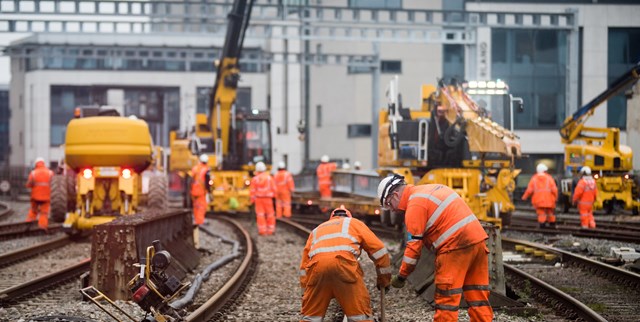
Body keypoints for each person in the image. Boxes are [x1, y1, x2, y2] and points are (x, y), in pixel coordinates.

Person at [378, 174, 493, 322]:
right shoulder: (430, 189)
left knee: (447, 301)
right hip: (478, 243)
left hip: (454, 249)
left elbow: (413, 248)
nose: (392, 210)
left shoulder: (414, 205)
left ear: (395, 194)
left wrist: (402, 276)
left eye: (389, 204)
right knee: (478, 298)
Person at [299, 207, 391, 322]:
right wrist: (384, 280)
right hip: (344, 268)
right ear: (348, 216)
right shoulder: (354, 223)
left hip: (317, 271)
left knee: (311, 317)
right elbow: (380, 251)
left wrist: (305, 293)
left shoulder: (316, 230)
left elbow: (304, 266)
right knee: (360, 316)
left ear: (331, 218)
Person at [522, 163, 558, 228]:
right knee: (550, 212)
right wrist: (556, 198)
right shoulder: (549, 178)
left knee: (541, 213)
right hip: (549, 200)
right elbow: (554, 190)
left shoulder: (534, 179)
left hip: (538, 201)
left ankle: (542, 225)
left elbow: (529, 190)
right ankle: (552, 224)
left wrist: (524, 197)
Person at [26, 157, 53, 230]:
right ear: (43, 163)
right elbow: (53, 184)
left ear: (36, 164)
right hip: (46, 197)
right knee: (44, 212)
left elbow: (29, 184)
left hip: (35, 197)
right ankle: (42, 226)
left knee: (33, 210)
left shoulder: (33, 173)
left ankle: (29, 223)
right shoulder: (50, 173)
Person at [250, 161, 277, 235]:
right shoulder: (269, 178)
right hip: (268, 199)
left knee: (260, 215)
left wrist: (252, 200)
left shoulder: (255, 179)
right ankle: (270, 230)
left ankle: (262, 231)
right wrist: (275, 197)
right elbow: (274, 189)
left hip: (259, 199)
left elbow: (252, 190)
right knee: (270, 214)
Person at [190, 154, 211, 226]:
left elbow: (191, 180)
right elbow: (207, 182)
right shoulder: (206, 170)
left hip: (194, 191)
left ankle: (196, 220)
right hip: (201, 192)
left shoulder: (194, 168)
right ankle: (199, 221)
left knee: (196, 206)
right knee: (202, 206)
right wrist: (209, 191)